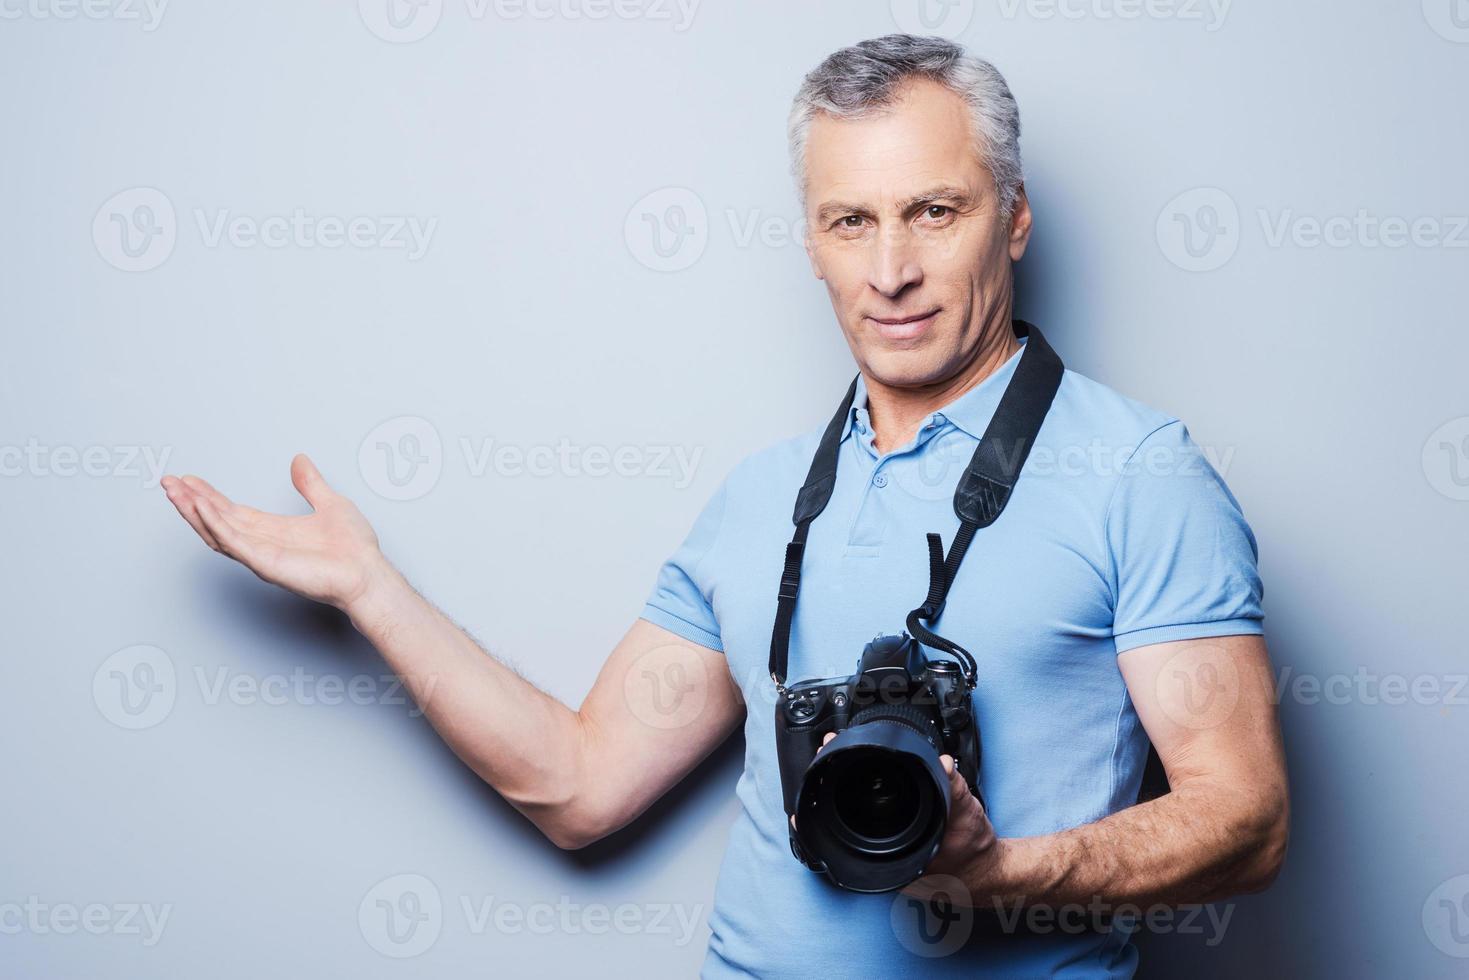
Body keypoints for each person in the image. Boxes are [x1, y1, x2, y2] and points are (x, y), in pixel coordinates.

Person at [160, 33, 1288, 978]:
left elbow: (1245, 817)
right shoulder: (759, 500)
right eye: (850, 221)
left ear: (1015, 219)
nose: (889, 267)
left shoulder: (1139, 470)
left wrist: (999, 874)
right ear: (809, 240)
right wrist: (371, 590)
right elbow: (577, 782)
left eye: (932, 210)